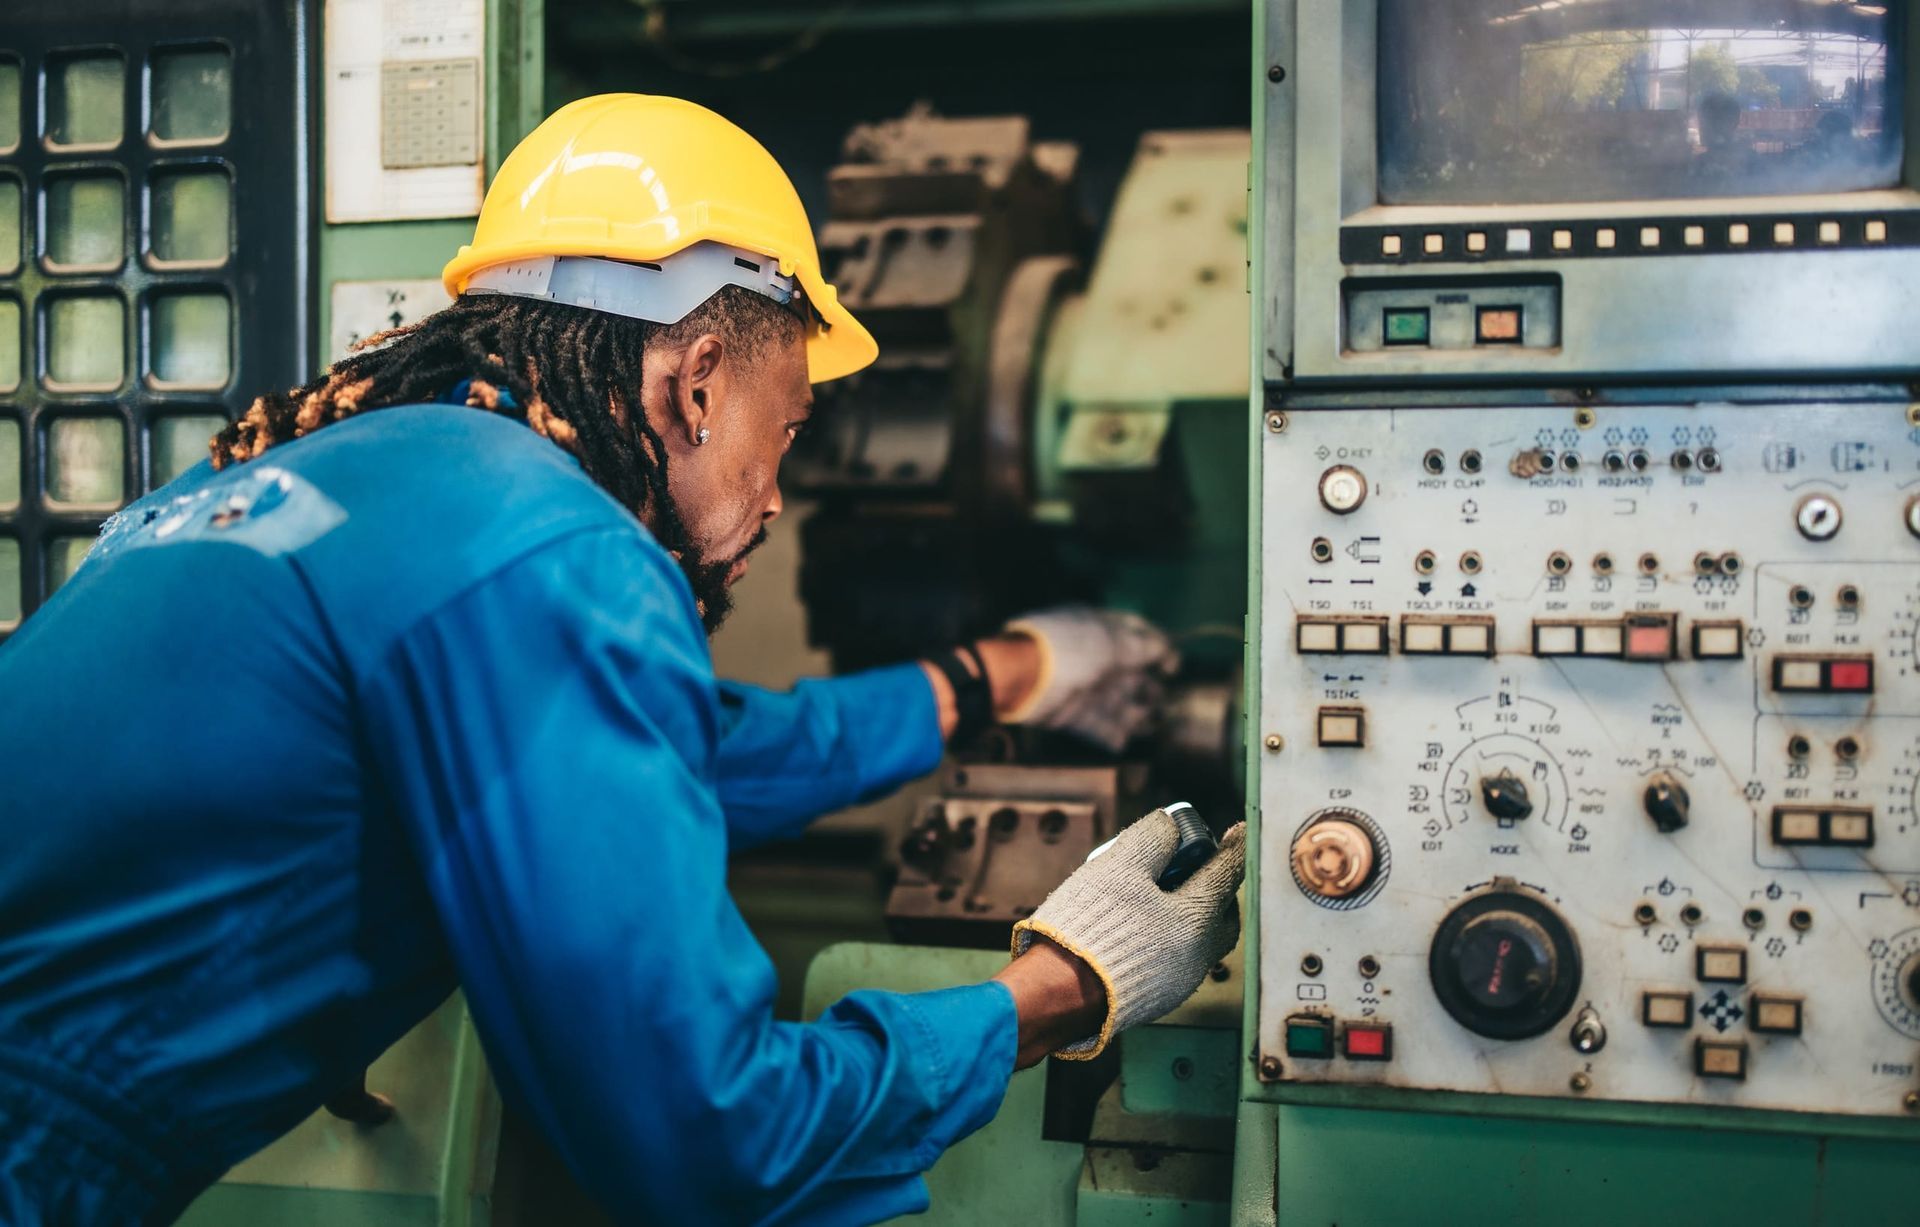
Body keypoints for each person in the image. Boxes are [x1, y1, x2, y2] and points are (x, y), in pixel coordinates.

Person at [0, 94, 1244, 1224]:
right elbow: (707, 1139)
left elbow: (697, 748)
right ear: (700, 378)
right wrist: (1066, 990)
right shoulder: (555, 546)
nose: (776, 495)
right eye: (788, 426)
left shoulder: (302, 484)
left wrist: (1009, 673)